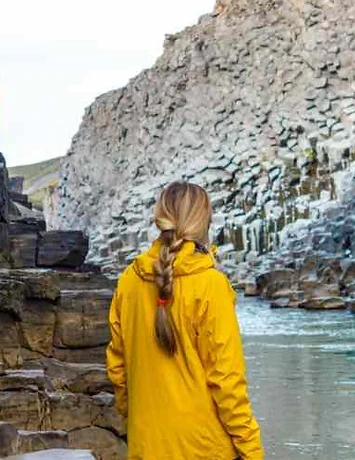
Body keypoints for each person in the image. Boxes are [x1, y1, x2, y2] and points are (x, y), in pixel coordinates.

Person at [106, 182, 264, 460]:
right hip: (204, 448)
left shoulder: (129, 280)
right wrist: (252, 452)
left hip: (146, 445)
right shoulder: (210, 284)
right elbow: (227, 383)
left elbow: (118, 370)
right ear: (204, 221)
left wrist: (137, 425)